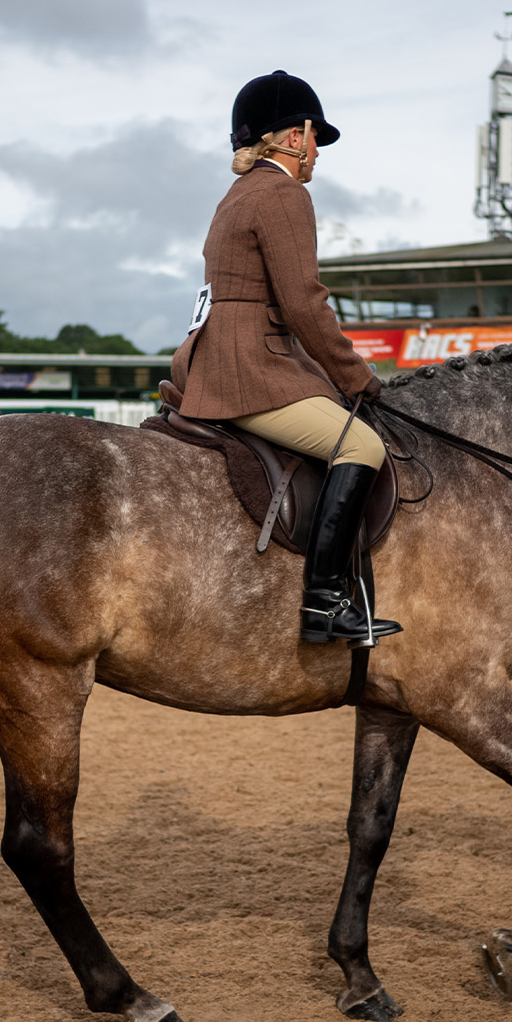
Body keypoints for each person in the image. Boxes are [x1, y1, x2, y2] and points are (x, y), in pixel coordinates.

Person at [167, 70, 398, 645]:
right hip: (251, 371)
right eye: (315, 136)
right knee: (360, 443)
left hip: (221, 358)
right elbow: (303, 303)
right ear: (293, 137)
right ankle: (323, 601)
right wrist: (357, 377)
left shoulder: (237, 196)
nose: (318, 150)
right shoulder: (283, 193)